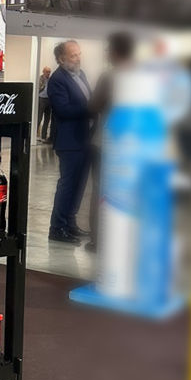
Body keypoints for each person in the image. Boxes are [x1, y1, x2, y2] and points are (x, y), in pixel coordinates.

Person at [86, 32, 136, 253]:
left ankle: (98, 240)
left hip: (106, 140)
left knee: (100, 190)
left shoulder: (109, 76)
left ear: (115, 52)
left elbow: (92, 105)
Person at [47, 40, 93, 244]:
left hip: (84, 139)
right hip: (69, 141)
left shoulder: (80, 75)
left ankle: (70, 222)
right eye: (74, 55)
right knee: (67, 185)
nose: (78, 58)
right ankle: (57, 227)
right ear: (61, 59)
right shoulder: (57, 79)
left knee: (80, 185)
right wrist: (91, 108)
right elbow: (63, 110)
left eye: (79, 54)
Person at [37, 67, 53, 143]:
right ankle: (35, 134)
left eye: (49, 72)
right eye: (47, 72)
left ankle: (44, 135)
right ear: (43, 72)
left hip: (49, 99)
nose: (48, 73)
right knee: (39, 117)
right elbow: (38, 88)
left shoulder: (50, 80)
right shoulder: (40, 79)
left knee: (47, 118)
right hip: (42, 98)